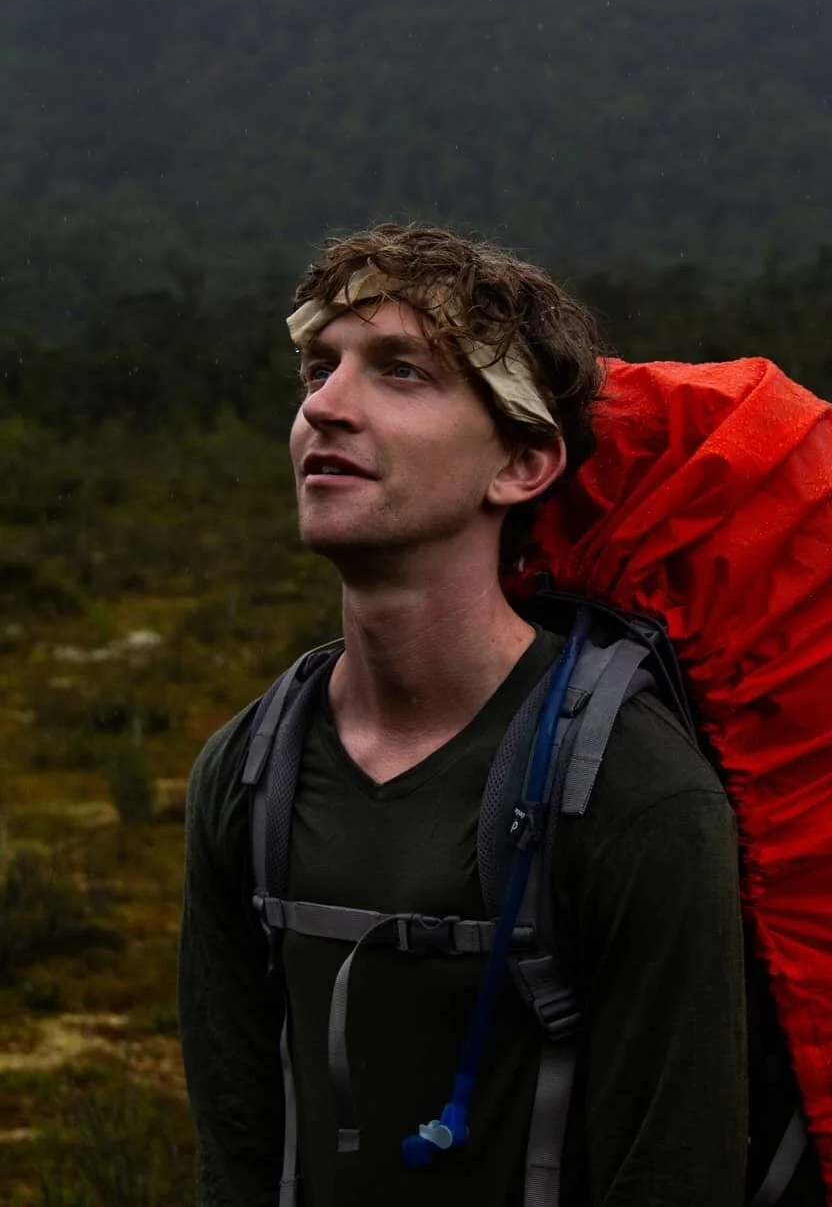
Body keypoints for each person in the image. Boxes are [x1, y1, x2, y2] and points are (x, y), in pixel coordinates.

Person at [179, 223, 749, 1207]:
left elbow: (675, 1173)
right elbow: (234, 1154)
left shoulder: (631, 793)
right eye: (318, 368)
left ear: (521, 464)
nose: (325, 405)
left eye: (400, 371)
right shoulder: (247, 772)